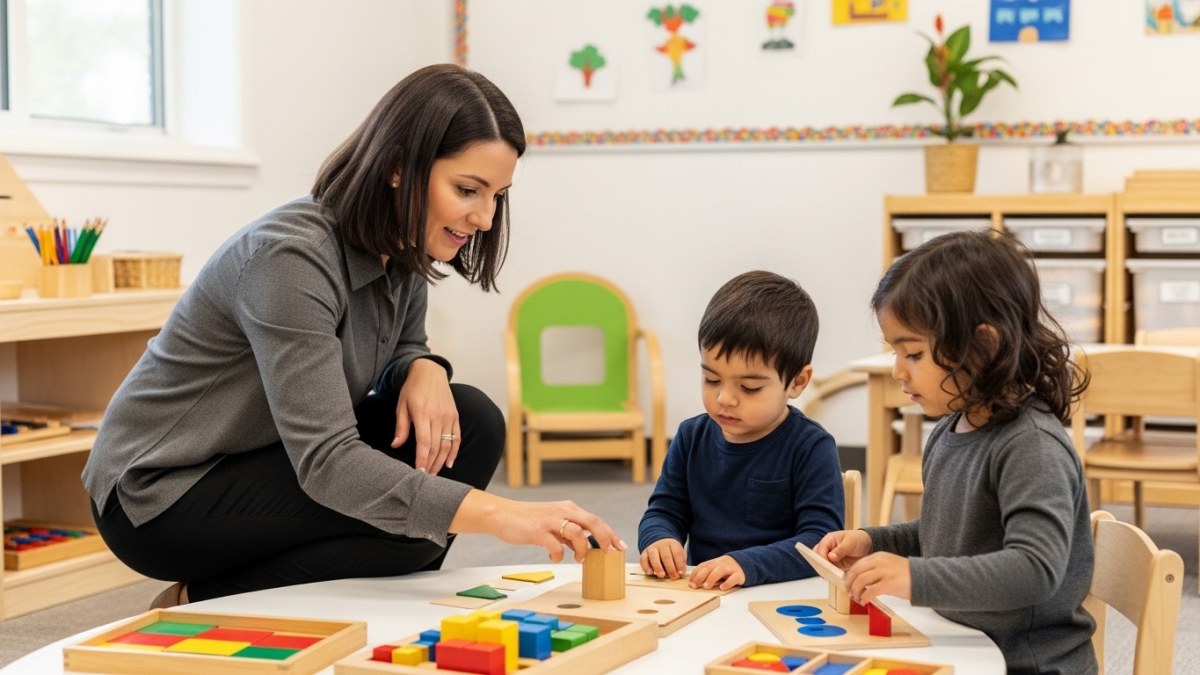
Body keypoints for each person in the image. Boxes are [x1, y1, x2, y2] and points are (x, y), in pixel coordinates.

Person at [82, 64, 625, 609]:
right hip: (162, 494)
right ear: (397, 167)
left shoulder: (406, 245)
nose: (484, 217)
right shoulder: (289, 258)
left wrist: (425, 366)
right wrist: (507, 514)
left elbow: (401, 344)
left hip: (267, 455)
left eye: (496, 195)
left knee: (471, 423)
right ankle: (200, 599)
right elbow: (327, 461)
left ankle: (319, 598)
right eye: (467, 190)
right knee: (411, 529)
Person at [814, 231, 1097, 674]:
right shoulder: (950, 429)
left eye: (913, 353)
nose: (897, 371)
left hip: (1025, 663)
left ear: (984, 346)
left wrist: (913, 578)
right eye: (895, 352)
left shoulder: (1032, 447)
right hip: (961, 644)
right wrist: (874, 541)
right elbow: (948, 535)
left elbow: (1035, 569)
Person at [637, 271, 845, 591]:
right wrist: (660, 539)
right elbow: (664, 511)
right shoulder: (691, 437)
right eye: (712, 380)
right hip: (705, 593)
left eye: (749, 388)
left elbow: (818, 542)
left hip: (777, 592)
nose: (724, 399)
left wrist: (746, 564)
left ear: (797, 382)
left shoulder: (811, 446)